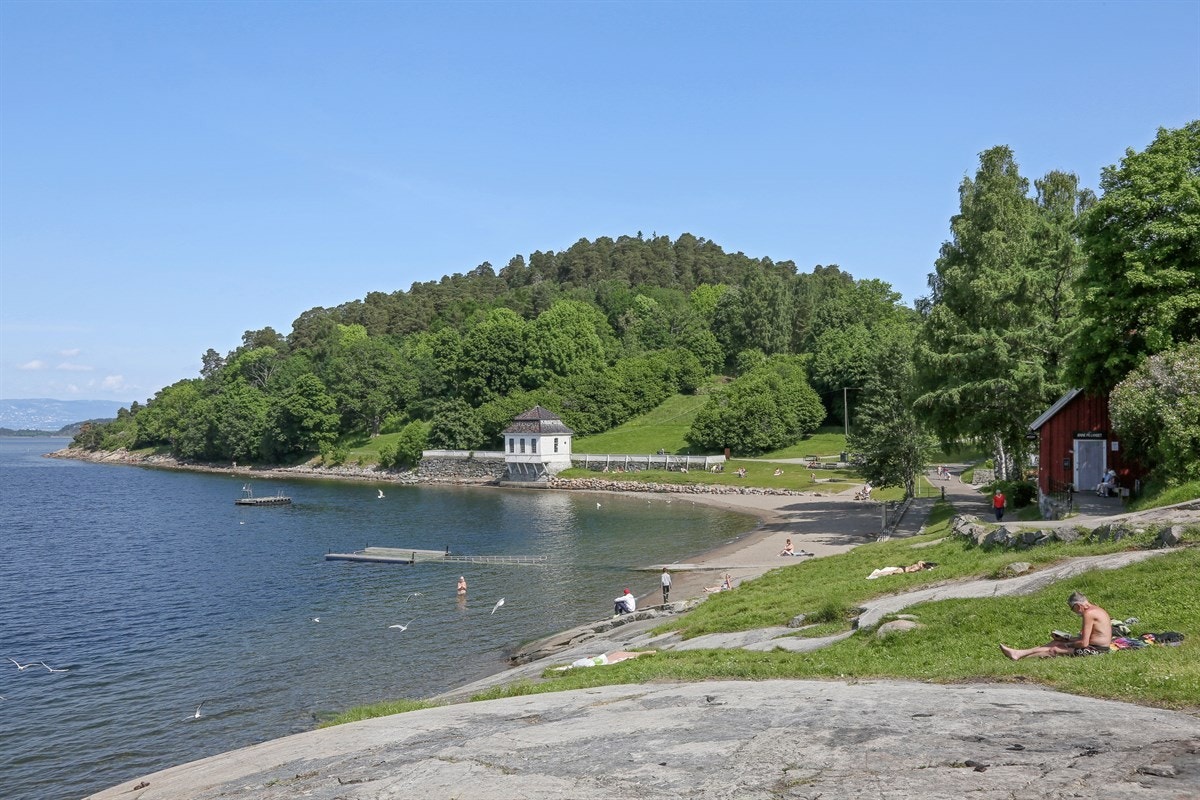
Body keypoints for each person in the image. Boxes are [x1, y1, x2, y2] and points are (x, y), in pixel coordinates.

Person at [999, 592, 1113, 660]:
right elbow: (1088, 638)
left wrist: (1067, 643)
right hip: (1094, 646)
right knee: (1055, 643)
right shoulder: (1096, 610)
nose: (1073, 612)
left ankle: (1022, 659)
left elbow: (1084, 643)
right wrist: (1067, 639)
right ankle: (1018, 654)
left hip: (1098, 651)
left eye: (1072, 608)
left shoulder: (1088, 614)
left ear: (1078, 606)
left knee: (1055, 649)